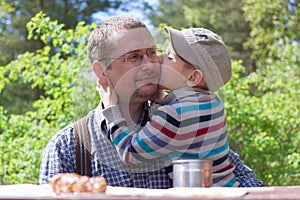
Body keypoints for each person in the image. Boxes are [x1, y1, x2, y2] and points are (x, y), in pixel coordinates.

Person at [39, 16, 263, 188]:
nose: (151, 64)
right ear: (102, 72)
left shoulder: (185, 123)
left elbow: (240, 175)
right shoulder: (68, 147)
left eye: (152, 53)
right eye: (134, 57)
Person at [99, 26, 238, 187]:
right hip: (229, 189)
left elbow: (131, 153)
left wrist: (111, 110)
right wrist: (164, 99)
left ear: (193, 77)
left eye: (170, 57)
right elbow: (189, 116)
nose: (159, 59)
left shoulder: (173, 115)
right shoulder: (214, 102)